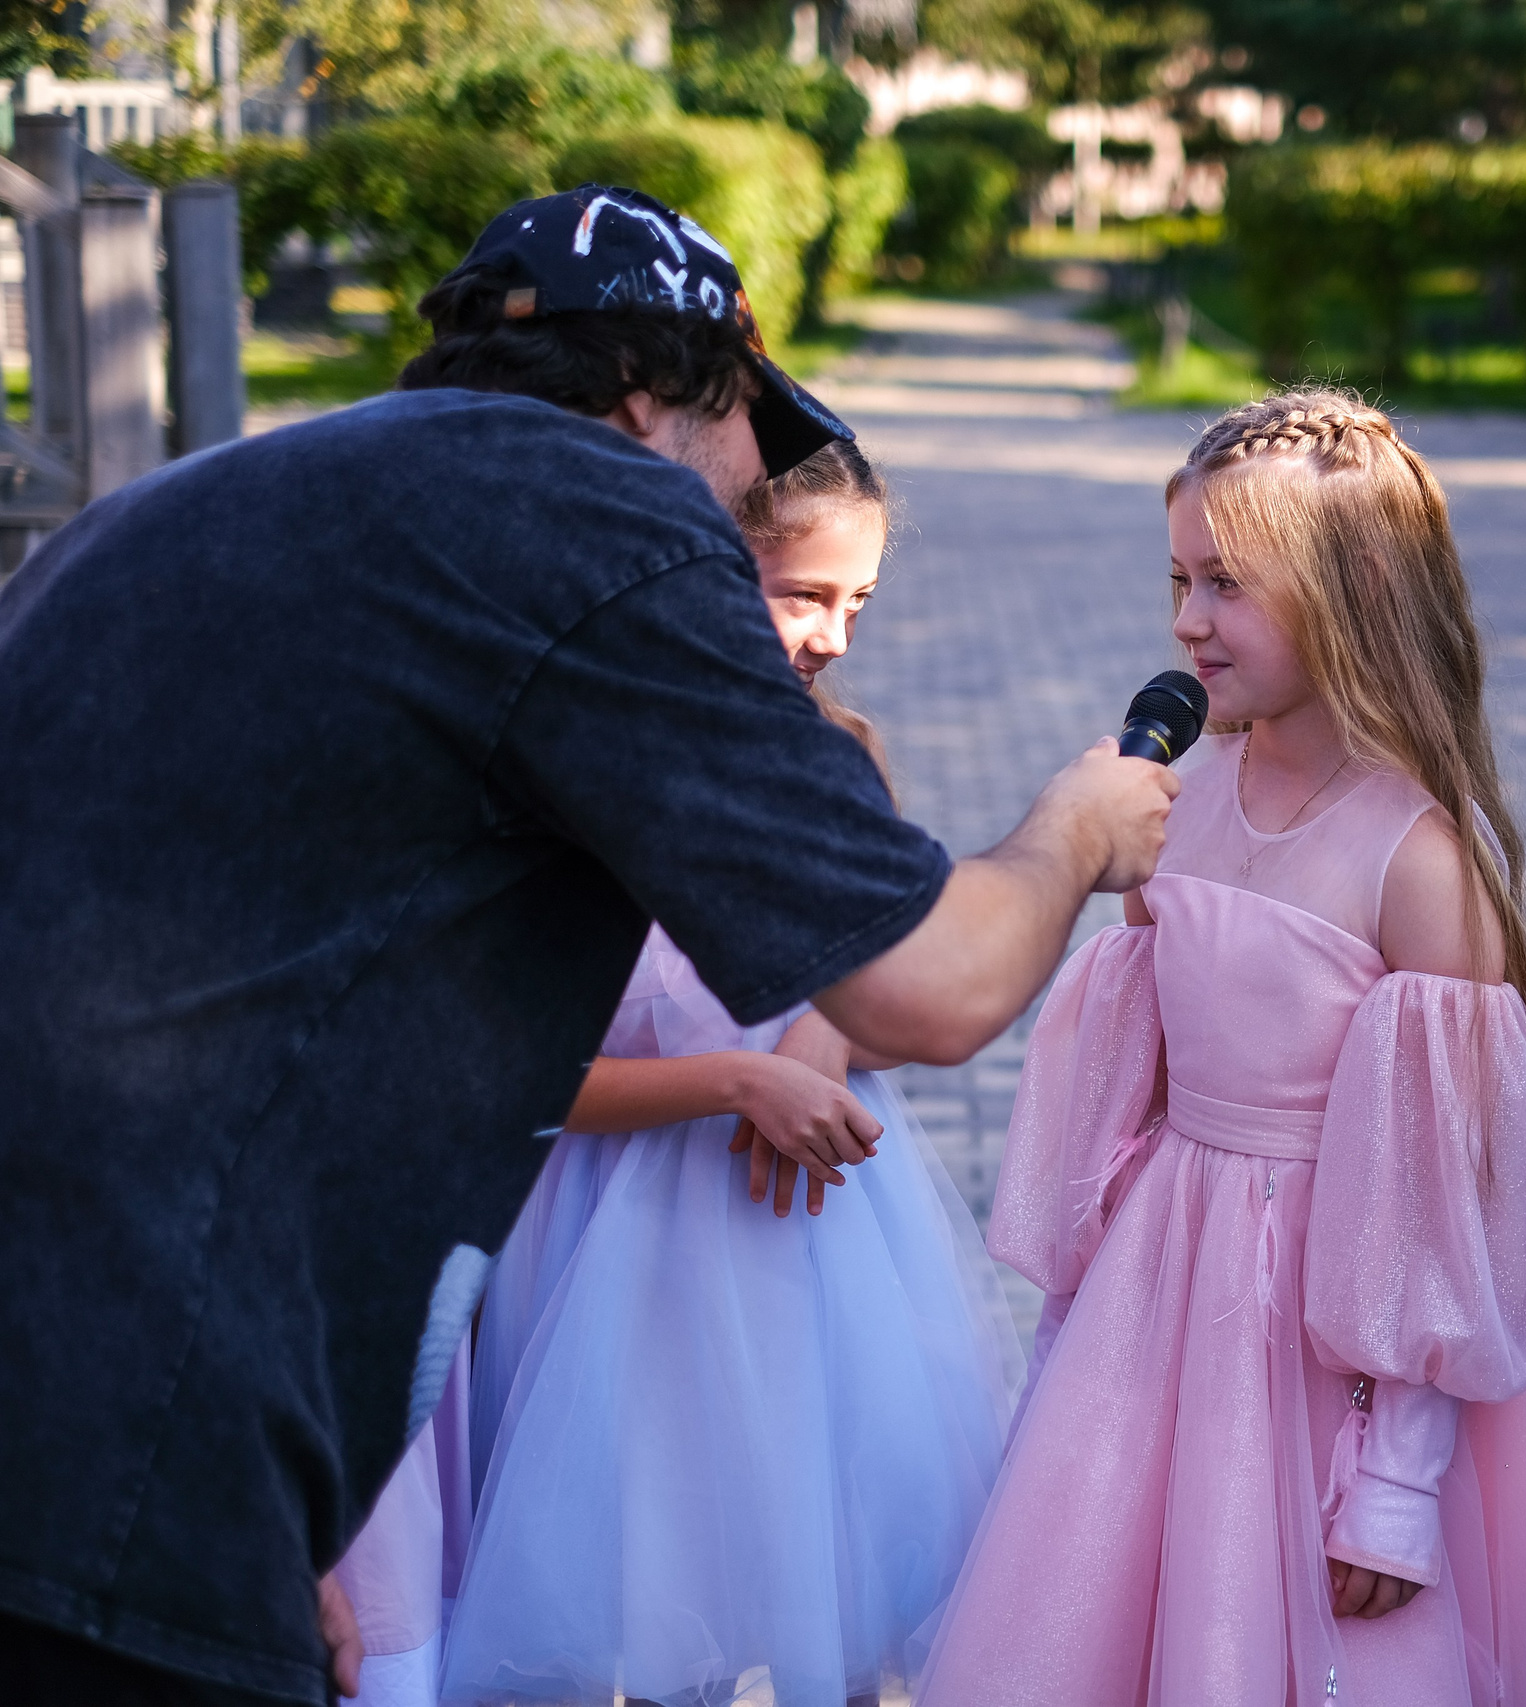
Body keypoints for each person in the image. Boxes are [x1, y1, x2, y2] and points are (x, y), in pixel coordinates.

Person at [0, 184, 1174, 1707]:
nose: (758, 472)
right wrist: (1075, 830)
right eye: (757, 420)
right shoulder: (597, 518)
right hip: (134, 1420)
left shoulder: (214, 500)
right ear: (654, 397)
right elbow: (928, 984)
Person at [914, 389, 1526, 1707]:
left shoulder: (1418, 857)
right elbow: (1130, 1092)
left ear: (1358, 585)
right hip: (1170, 1294)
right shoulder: (1176, 806)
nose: (1186, 619)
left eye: (1227, 584)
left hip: (1339, 1344)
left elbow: (1447, 1207)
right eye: (1178, 579)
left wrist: (1393, 1480)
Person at [327, 441, 1021, 1707]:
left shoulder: (840, 758)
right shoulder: (581, 793)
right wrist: (738, 1083)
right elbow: (518, 1075)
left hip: (808, 1249)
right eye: (803, 594)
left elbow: (889, 979)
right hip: (604, 1251)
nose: (834, 638)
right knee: (636, 1576)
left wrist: (821, 1038)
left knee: (826, 1556)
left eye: (856, 603)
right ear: (703, 572)